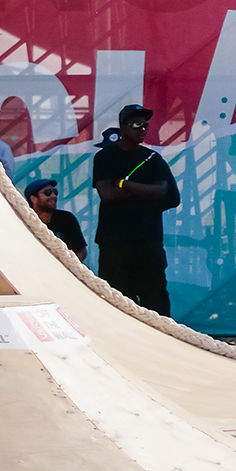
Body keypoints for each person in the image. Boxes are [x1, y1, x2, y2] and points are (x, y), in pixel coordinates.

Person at [91, 104, 180, 316]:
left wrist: (124, 184)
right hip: (115, 244)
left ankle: (162, 344)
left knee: (155, 300)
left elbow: (168, 195)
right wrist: (146, 193)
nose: (143, 129)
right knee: (116, 301)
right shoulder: (104, 158)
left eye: (145, 125)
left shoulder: (153, 159)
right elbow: (107, 194)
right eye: (137, 124)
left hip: (148, 244)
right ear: (122, 128)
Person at [23, 179, 86, 261]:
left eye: (55, 192)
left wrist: (69, 268)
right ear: (34, 199)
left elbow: (81, 251)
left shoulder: (67, 219)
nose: (53, 196)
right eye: (48, 192)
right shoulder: (25, 220)